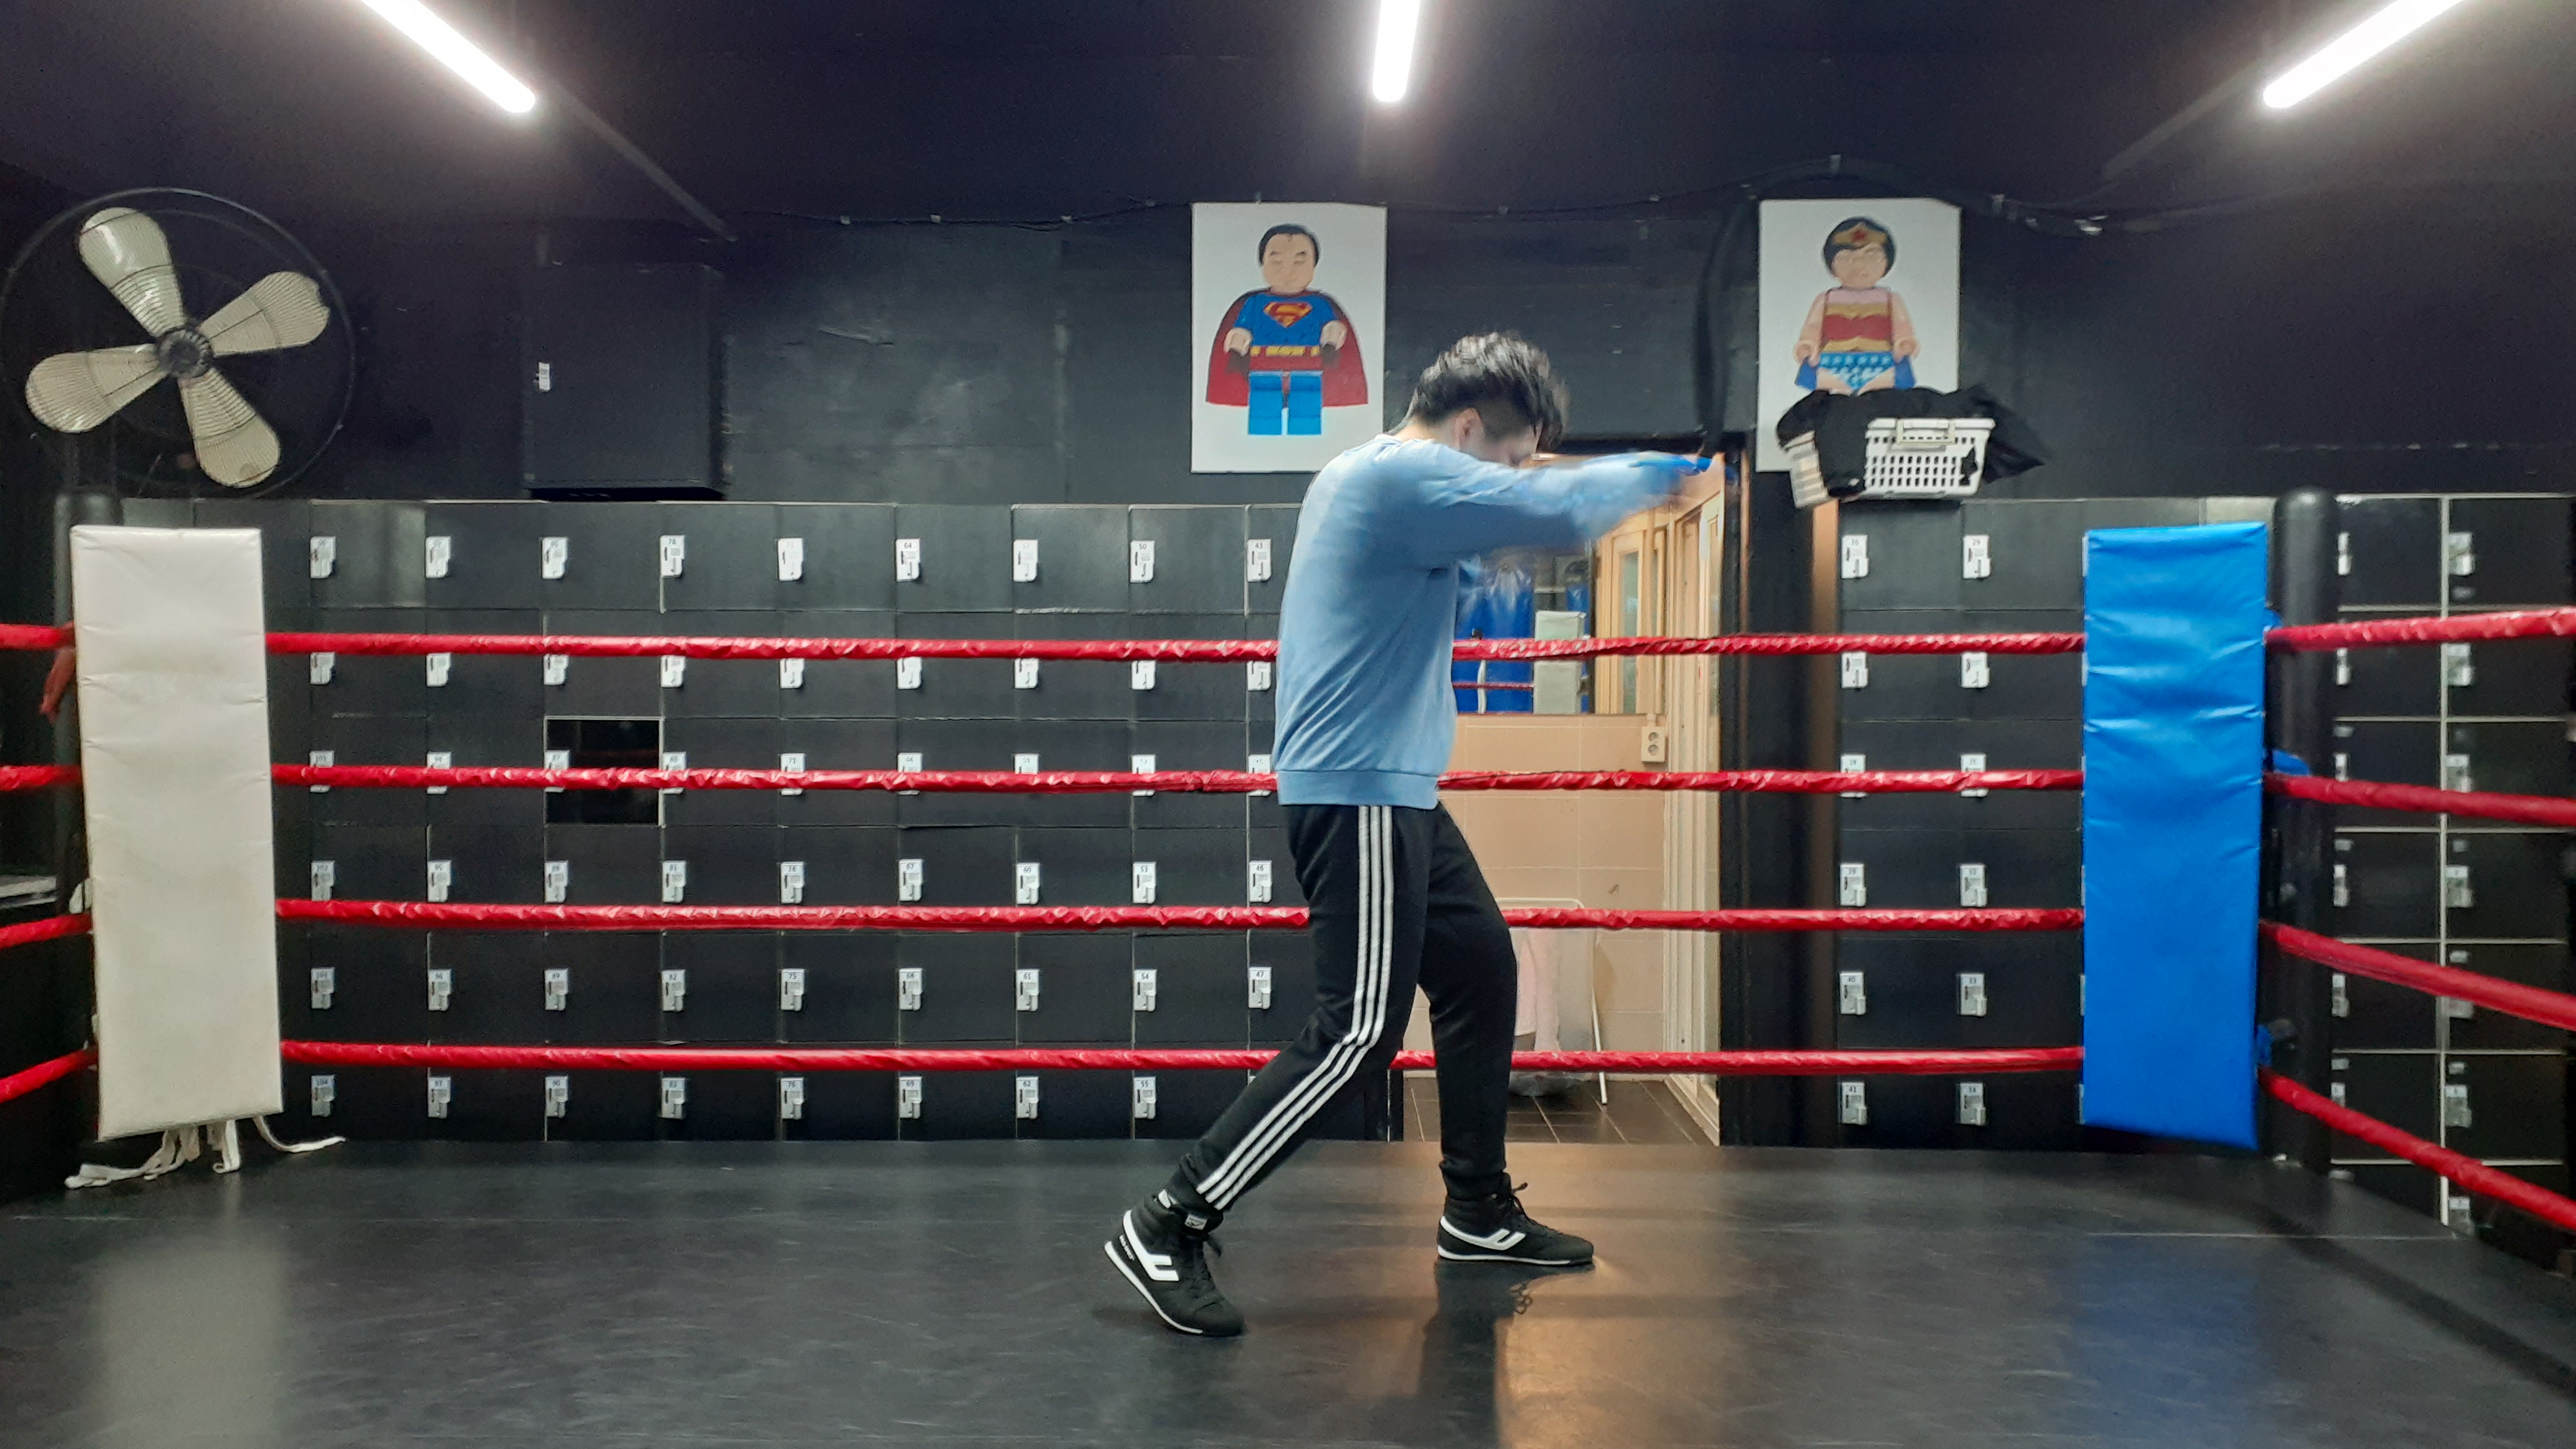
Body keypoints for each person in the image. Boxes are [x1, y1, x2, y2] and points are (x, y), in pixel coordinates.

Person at [1105, 332, 1705, 1337]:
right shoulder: (1398, 475)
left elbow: (1451, 576)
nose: (1508, 478)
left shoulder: (1385, 486)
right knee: (1355, 1034)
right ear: (1467, 429)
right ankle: (1169, 1221)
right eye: (1506, 458)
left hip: (1399, 788)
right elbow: (1556, 511)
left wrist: (1485, 562)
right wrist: (1671, 471)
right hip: (1361, 790)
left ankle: (1477, 1210)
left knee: (1480, 970)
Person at [1203, 223, 1370, 436]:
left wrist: (1331, 341)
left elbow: (1333, 327)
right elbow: (1242, 329)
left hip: (1308, 365)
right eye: (1277, 261)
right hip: (1264, 366)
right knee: (1264, 408)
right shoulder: (1254, 303)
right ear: (1262, 264)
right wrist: (1237, 347)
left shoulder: (1320, 304)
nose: (1288, 270)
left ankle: (1305, 442)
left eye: (1299, 262)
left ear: (1314, 266)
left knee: (1306, 407)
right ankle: (1264, 442)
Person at [1792, 216, 1918, 396]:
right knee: (1818, 378)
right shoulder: (1826, 299)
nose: (1859, 265)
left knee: (1894, 378)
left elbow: (1902, 326)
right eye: (1847, 258)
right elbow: (1813, 326)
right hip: (1833, 359)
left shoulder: (1890, 299)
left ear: (1886, 263)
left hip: (1880, 359)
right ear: (1832, 265)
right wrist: (1808, 345)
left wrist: (1904, 343)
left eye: (1871, 256)